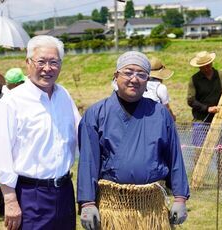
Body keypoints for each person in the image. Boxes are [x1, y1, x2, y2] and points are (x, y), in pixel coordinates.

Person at [77, 51, 189, 230]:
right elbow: (87, 162)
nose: (134, 79)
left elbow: (175, 158)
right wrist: (87, 203)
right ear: (116, 76)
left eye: (142, 74)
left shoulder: (160, 114)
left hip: (152, 209)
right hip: (112, 209)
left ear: (147, 81)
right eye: (128, 72)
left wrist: (180, 197)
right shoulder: (96, 114)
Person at [0, 35, 81, 230]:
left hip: (64, 192)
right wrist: (10, 200)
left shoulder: (63, 94)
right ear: (28, 63)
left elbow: (80, 132)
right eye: (41, 61)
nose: (47, 68)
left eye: (54, 62)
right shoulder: (12, 101)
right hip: (31, 195)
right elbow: (1, 152)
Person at [187, 51, 222, 183]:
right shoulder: (194, 79)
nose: (206, 68)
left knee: (220, 149)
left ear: (211, 63)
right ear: (199, 67)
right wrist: (207, 108)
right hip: (201, 120)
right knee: (199, 150)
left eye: (208, 65)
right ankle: (197, 179)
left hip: (219, 119)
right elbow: (190, 101)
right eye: (203, 66)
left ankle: (220, 179)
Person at [0, 67, 25, 217]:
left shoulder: (6, 94)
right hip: (11, 147)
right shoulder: (7, 99)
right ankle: (4, 206)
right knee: (8, 180)